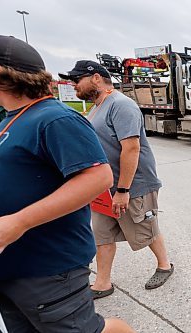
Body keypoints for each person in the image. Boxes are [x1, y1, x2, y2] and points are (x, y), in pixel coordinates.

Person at [0, 36, 134, 332]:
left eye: (77, 80)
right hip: (12, 267)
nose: (73, 85)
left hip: (47, 267)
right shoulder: (10, 121)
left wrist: (17, 222)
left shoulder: (53, 117)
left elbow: (100, 175)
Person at [60, 60, 174, 299]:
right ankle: (102, 283)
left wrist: (123, 189)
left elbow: (131, 148)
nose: (74, 86)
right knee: (102, 234)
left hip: (133, 185)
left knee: (145, 228)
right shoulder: (96, 106)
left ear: (96, 78)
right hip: (104, 187)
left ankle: (165, 265)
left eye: (76, 80)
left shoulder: (121, 105)